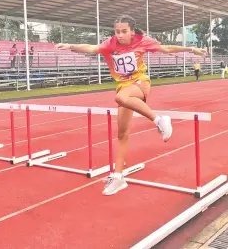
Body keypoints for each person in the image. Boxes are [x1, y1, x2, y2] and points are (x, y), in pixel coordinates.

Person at [55, 14, 207, 196]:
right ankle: (118, 177)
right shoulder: (110, 43)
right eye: (117, 31)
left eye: (124, 31)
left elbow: (165, 48)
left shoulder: (142, 41)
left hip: (140, 83)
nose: (120, 35)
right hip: (123, 85)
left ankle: (159, 119)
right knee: (122, 134)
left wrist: (190, 49)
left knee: (120, 98)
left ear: (132, 31)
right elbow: (91, 48)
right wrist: (70, 46)